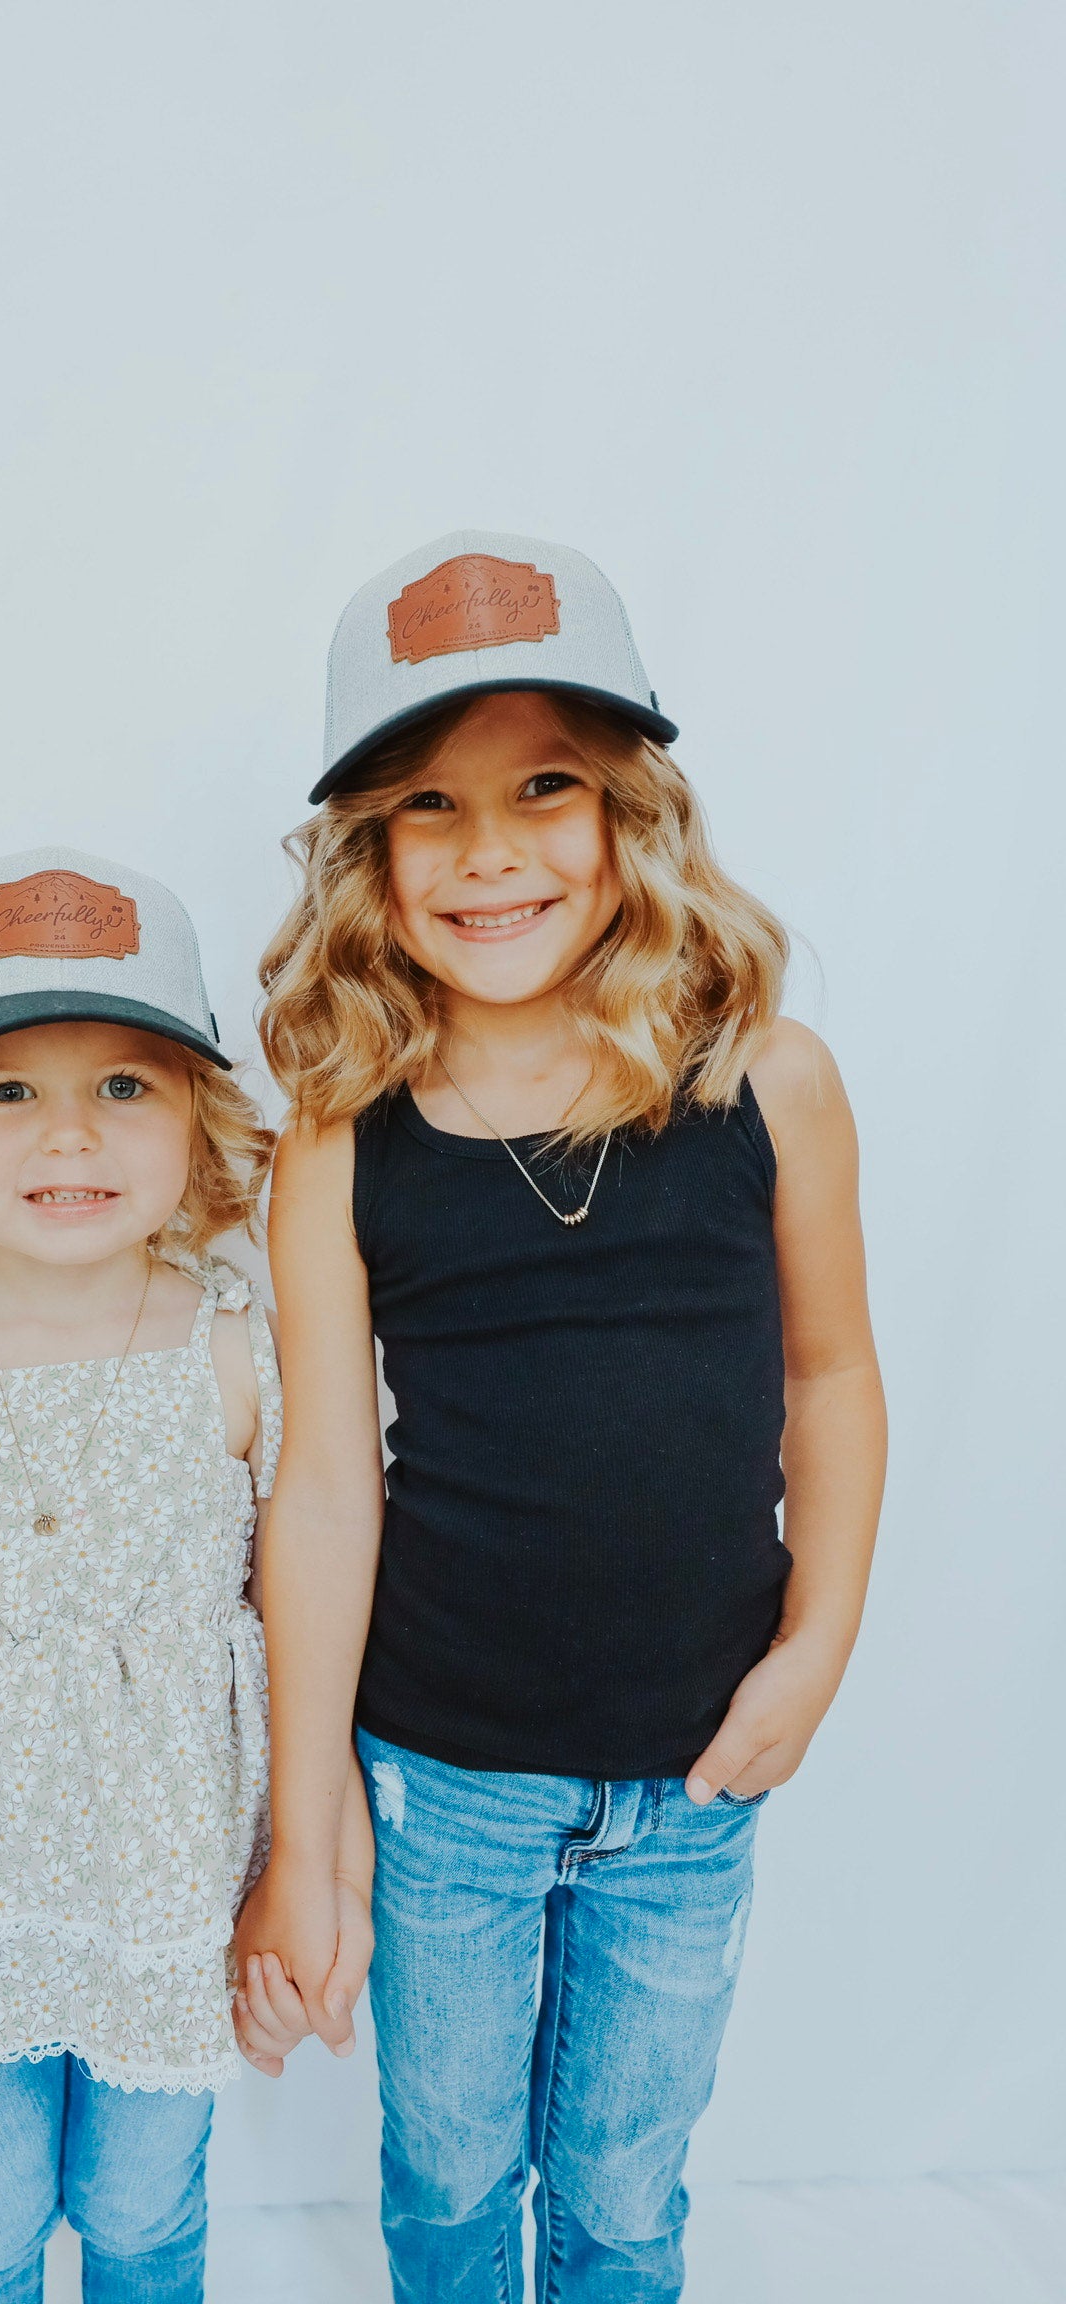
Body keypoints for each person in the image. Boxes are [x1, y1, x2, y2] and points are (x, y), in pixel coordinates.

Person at [236, 534, 888, 2300]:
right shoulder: (340, 1129)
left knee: (621, 2194)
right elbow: (319, 1488)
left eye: (546, 788)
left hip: (698, 1772)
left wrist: (818, 1648)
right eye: (430, 808)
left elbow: (830, 1377)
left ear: (631, 814)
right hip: (441, 1777)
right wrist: (311, 1834)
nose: (493, 850)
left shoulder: (770, 1081)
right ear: (370, 855)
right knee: (449, 2181)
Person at [0, 844, 365, 2301]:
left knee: (145, 2203)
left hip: (168, 1894)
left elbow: (311, 1630)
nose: (68, 1141)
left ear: (196, 1117)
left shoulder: (239, 1353)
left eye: (123, 1086)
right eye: (9, 1090)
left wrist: (322, 1872)